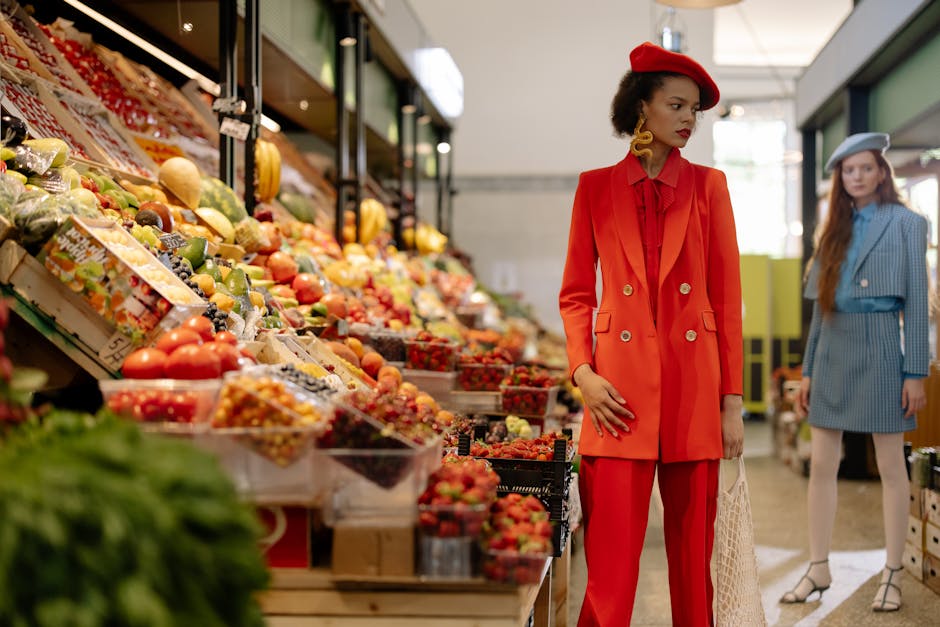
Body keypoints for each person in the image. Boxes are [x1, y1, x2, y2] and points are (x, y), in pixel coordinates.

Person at [559, 41, 744, 626]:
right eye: (677, 105)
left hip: (695, 392)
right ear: (643, 105)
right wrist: (583, 374)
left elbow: (728, 301)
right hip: (617, 395)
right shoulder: (594, 187)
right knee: (609, 571)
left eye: (695, 109)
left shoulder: (709, 187)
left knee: (695, 571)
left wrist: (732, 401)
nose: (689, 119)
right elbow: (576, 295)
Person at [782, 132, 929, 611]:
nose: (858, 177)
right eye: (849, 170)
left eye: (866, 168)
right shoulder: (833, 231)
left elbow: (917, 302)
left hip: (884, 343)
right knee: (822, 465)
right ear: (840, 179)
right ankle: (818, 567)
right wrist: (807, 372)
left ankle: (892, 572)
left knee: (890, 464)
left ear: (882, 172)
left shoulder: (908, 223)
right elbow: (822, 310)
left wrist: (916, 373)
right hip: (833, 349)